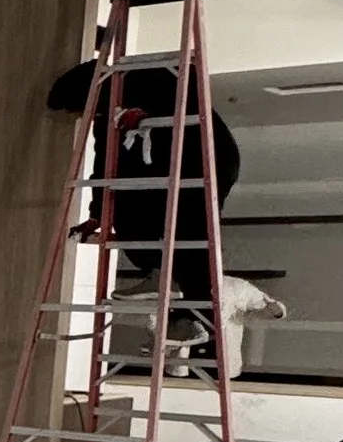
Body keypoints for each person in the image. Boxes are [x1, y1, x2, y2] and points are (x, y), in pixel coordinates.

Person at [46, 57, 240, 306]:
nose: (85, 118)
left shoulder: (142, 77)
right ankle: (163, 280)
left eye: (81, 112)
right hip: (175, 162)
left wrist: (150, 115)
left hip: (205, 156)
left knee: (190, 231)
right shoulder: (107, 113)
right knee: (131, 207)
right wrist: (98, 214)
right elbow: (105, 164)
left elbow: (191, 83)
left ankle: (195, 317)